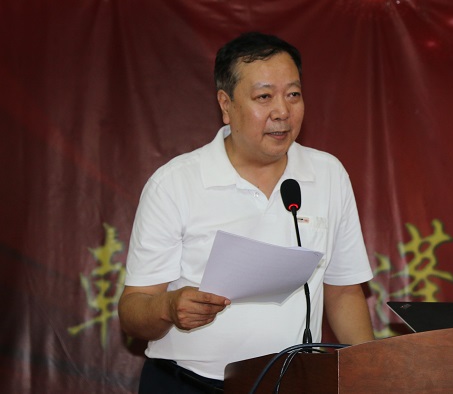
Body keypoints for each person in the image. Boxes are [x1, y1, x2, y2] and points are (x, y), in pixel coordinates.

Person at [118, 32, 375, 393]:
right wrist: (168, 307)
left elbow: (343, 292)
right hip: (187, 384)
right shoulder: (175, 183)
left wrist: (370, 377)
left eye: (293, 94)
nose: (282, 111)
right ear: (226, 104)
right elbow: (132, 310)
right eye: (264, 97)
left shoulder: (328, 174)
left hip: (291, 384)